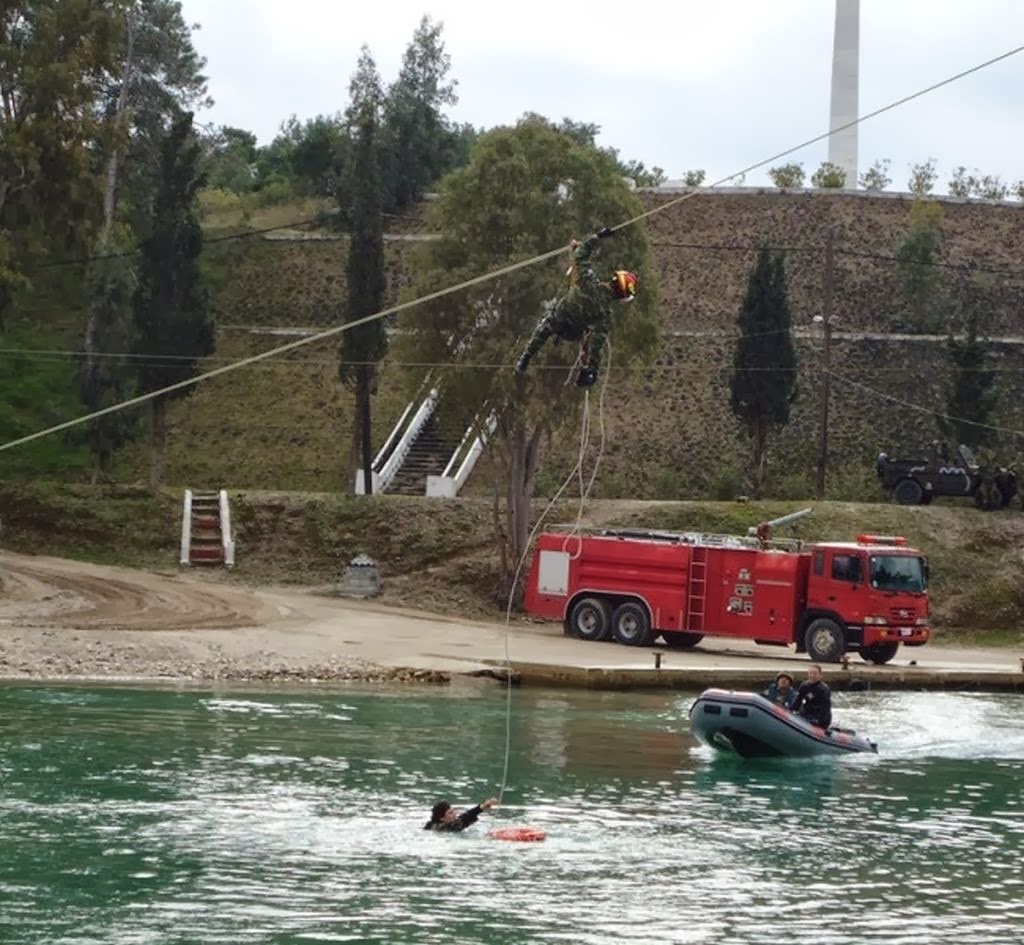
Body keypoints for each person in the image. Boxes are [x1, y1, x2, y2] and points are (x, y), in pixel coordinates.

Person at [514, 226, 638, 388]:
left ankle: (525, 358)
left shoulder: (587, 282)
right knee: (587, 333)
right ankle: (583, 366)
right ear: (622, 296)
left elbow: (581, 257)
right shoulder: (605, 315)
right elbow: (597, 343)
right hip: (573, 332)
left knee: (545, 327)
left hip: (559, 320)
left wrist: (596, 237)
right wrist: (592, 368)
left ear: (614, 279)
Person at [791, 663, 832, 729]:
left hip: (819, 716)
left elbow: (825, 708)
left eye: (815, 673)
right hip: (807, 713)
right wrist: (789, 711)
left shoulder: (824, 689)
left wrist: (819, 721)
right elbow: (798, 702)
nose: (812, 676)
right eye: (810, 673)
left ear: (820, 676)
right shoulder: (804, 686)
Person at [423, 796, 498, 832]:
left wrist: (482, 807)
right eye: (450, 813)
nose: (455, 814)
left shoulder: (430, 826)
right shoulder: (444, 828)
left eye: (453, 811)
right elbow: (464, 818)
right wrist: (482, 806)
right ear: (441, 818)